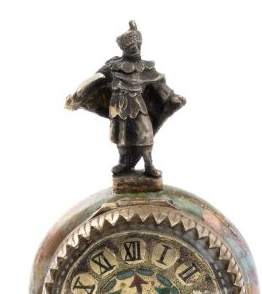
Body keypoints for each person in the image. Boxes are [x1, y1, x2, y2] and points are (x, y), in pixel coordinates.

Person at [66, 21, 186, 177]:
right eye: (131, 46)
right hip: (118, 107)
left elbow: (159, 85)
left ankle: (149, 165)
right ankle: (124, 163)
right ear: (124, 48)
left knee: (145, 135)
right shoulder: (113, 66)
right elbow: (97, 79)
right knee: (121, 137)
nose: (135, 49)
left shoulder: (146, 67)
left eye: (138, 45)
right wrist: (78, 94)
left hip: (137, 105)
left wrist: (171, 96)